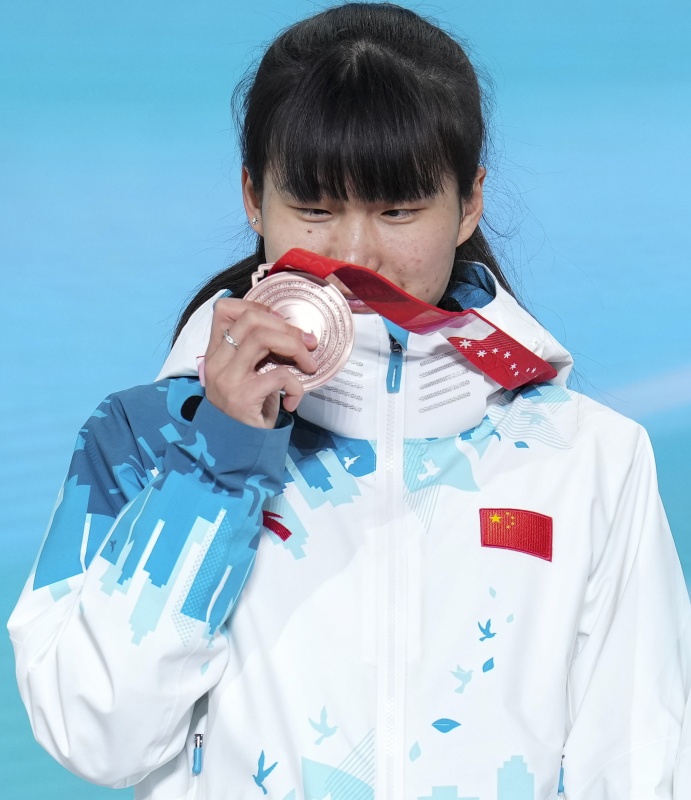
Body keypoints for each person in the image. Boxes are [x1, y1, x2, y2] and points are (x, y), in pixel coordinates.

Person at [8, 3, 691, 799]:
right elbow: (97, 739)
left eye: (398, 210)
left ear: (468, 202)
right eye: (315, 209)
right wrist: (218, 463)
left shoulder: (587, 456)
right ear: (252, 196)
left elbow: (643, 768)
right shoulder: (144, 439)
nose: (355, 254)